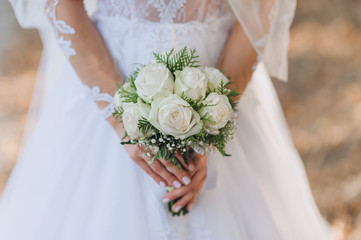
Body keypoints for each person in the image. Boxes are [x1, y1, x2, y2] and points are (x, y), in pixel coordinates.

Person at [0, 0, 334, 239]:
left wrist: (212, 116)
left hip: (219, 70)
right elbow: (62, 5)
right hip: (106, 74)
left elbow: (262, 7)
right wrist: (121, 117)